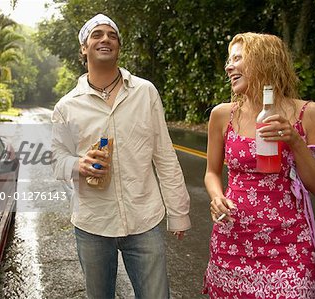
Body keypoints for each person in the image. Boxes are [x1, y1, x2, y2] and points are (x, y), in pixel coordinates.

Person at [51, 13, 191, 299]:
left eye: (112, 35)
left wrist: (179, 213)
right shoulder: (67, 107)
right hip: (93, 223)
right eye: (97, 35)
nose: (105, 39)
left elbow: (164, 154)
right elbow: (55, 160)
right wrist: (78, 164)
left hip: (144, 220)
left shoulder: (145, 92)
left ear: (118, 47)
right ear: (84, 48)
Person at [202, 32, 315, 298]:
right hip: (233, 241)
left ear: (264, 60)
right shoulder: (222, 115)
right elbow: (212, 173)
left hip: (289, 246)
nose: (229, 67)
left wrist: (295, 141)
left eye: (237, 59)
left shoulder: (310, 114)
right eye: (229, 60)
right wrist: (217, 197)